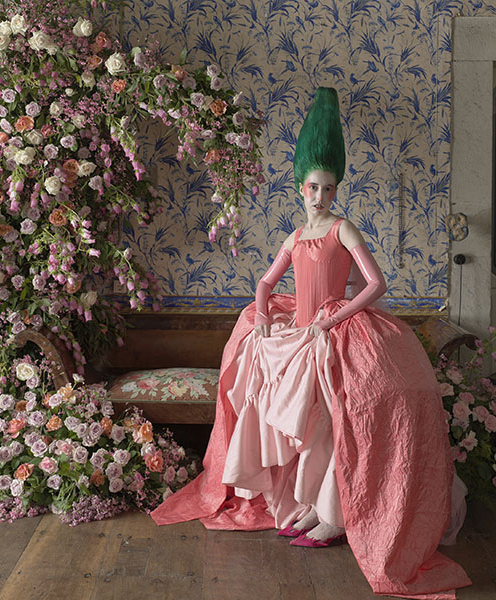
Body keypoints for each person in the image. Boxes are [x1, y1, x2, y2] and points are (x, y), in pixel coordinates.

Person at [152, 88, 471, 599]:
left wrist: (335, 318)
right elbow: (265, 283)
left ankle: (334, 515)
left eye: (328, 188)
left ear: (336, 190)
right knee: (305, 425)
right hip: (298, 334)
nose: (320, 196)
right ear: (300, 188)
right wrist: (261, 317)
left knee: (334, 423)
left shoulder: (343, 229)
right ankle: (308, 504)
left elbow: (375, 284)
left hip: (334, 333)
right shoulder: (295, 236)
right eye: (313, 188)